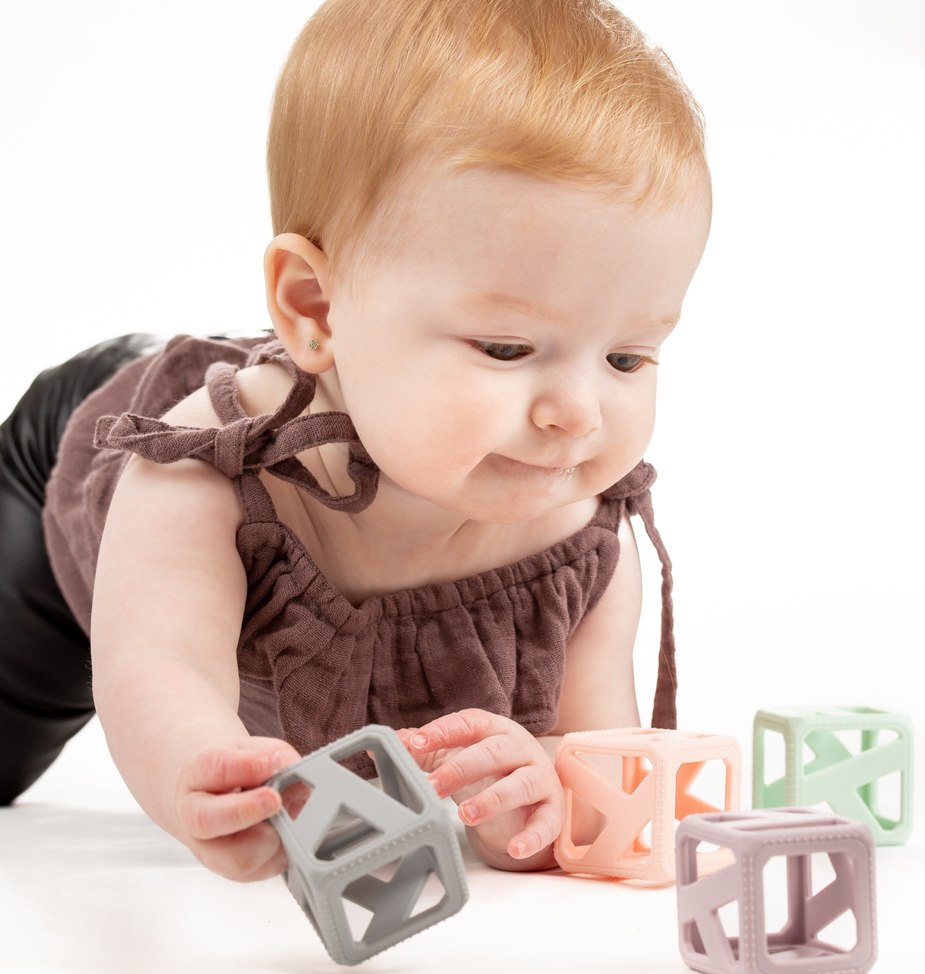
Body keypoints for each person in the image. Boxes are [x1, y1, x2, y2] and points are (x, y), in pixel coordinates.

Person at [0, 0, 710, 880]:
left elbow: (594, 760)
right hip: (74, 462)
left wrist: (539, 789)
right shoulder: (201, 475)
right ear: (314, 305)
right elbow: (158, 662)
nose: (577, 413)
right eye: (505, 348)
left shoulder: (581, 538)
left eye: (626, 357)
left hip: (354, 374)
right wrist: (196, 767)